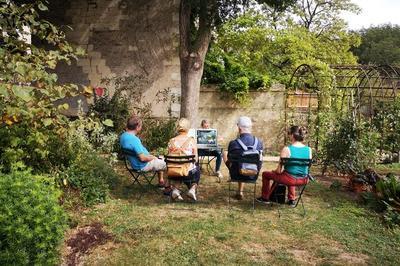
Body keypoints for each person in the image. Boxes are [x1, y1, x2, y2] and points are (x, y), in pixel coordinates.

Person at [256, 126, 312, 206]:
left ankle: (265, 198)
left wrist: (274, 171)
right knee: (290, 173)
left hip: (290, 179)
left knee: (266, 174)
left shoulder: (287, 149)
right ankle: (291, 200)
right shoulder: (309, 149)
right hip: (304, 179)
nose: (288, 136)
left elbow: (278, 171)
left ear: (292, 135)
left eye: (289, 134)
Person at [223, 116, 263, 200]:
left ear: (239, 128)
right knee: (244, 163)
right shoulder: (259, 142)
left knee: (226, 154)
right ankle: (240, 191)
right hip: (253, 174)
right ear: (250, 127)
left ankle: (240, 191)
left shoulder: (233, 143)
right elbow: (260, 161)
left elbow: (230, 160)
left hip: (236, 174)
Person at [120, 115, 166, 187]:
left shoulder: (123, 136)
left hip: (135, 164)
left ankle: (161, 181)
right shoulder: (134, 140)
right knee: (170, 164)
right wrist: (153, 157)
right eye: (141, 126)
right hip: (143, 165)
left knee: (161, 157)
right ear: (137, 127)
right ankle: (171, 188)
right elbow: (143, 158)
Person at [167, 118, 200, 201]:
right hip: (188, 174)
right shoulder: (191, 141)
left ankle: (175, 190)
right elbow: (196, 159)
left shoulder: (171, 141)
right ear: (188, 129)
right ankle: (192, 189)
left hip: (173, 172)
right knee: (197, 168)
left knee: (179, 166)